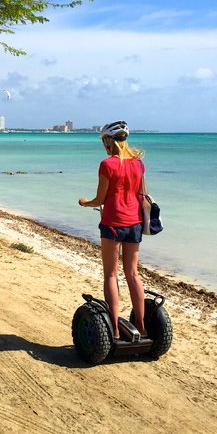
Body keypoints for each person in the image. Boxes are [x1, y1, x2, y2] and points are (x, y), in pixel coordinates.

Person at [78, 120, 147, 339]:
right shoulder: (138, 163)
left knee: (111, 274)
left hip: (113, 224)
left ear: (109, 140)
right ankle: (143, 326)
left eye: (104, 140)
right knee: (133, 274)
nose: (103, 145)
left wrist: (85, 202)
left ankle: (115, 330)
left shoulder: (107, 164)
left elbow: (101, 198)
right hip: (134, 223)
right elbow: (143, 195)